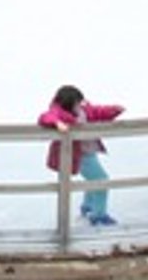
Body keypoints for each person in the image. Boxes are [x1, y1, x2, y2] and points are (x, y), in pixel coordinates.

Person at [37, 85, 125, 226]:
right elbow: (46, 117)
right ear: (68, 103)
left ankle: (88, 206)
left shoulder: (83, 109)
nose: (80, 105)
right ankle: (99, 215)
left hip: (90, 151)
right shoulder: (58, 111)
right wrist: (58, 123)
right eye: (77, 103)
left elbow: (97, 112)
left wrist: (113, 110)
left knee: (93, 180)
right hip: (79, 155)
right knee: (101, 180)